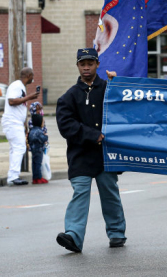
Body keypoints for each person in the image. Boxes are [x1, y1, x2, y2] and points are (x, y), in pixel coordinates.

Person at [56, 48, 126, 253]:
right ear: (77, 66)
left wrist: (117, 83)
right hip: (80, 156)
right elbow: (65, 126)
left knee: (110, 193)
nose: (86, 67)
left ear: (97, 65)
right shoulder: (68, 97)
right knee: (80, 193)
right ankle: (73, 237)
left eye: (90, 63)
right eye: (82, 64)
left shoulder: (109, 89)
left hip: (105, 155)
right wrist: (91, 134)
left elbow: (125, 108)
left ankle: (117, 233)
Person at [1, 67, 39, 185]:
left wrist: (24, 125)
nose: (33, 78)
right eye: (32, 75)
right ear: (28, 75)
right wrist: (29, 97)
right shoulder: (16, 85)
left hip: (16, 122)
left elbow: (19, 106)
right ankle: (13, 176)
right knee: (19, 148)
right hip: (12, 122)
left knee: (16, 148)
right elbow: (11, 101)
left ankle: (13, 176)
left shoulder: (21, 87)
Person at [28, 113, 49, 184]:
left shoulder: (32, 130)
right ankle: (39, 177)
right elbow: (42, 139)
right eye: (43, 122)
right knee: (38, 164)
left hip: (33, 150)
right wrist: (46, 137)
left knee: (34, 163)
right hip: (39, 150)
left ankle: (35, 178)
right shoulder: (39, 131)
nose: (43, 123)